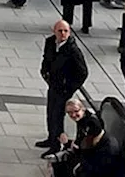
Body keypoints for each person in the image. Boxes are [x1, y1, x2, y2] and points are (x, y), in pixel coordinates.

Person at [38, 20, 89, 157]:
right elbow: (46, 59)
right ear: (54, 31)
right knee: (50, 112)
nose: (63, 34)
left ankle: (56, 145)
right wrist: (44, 72)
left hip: (64, 88)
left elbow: (83, 72)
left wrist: (69, 88)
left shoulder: (73, 50)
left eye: (65, 31)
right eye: (60, 31)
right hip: (53, 84)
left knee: (58, 115)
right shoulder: (50, 43)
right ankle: (51, 138)